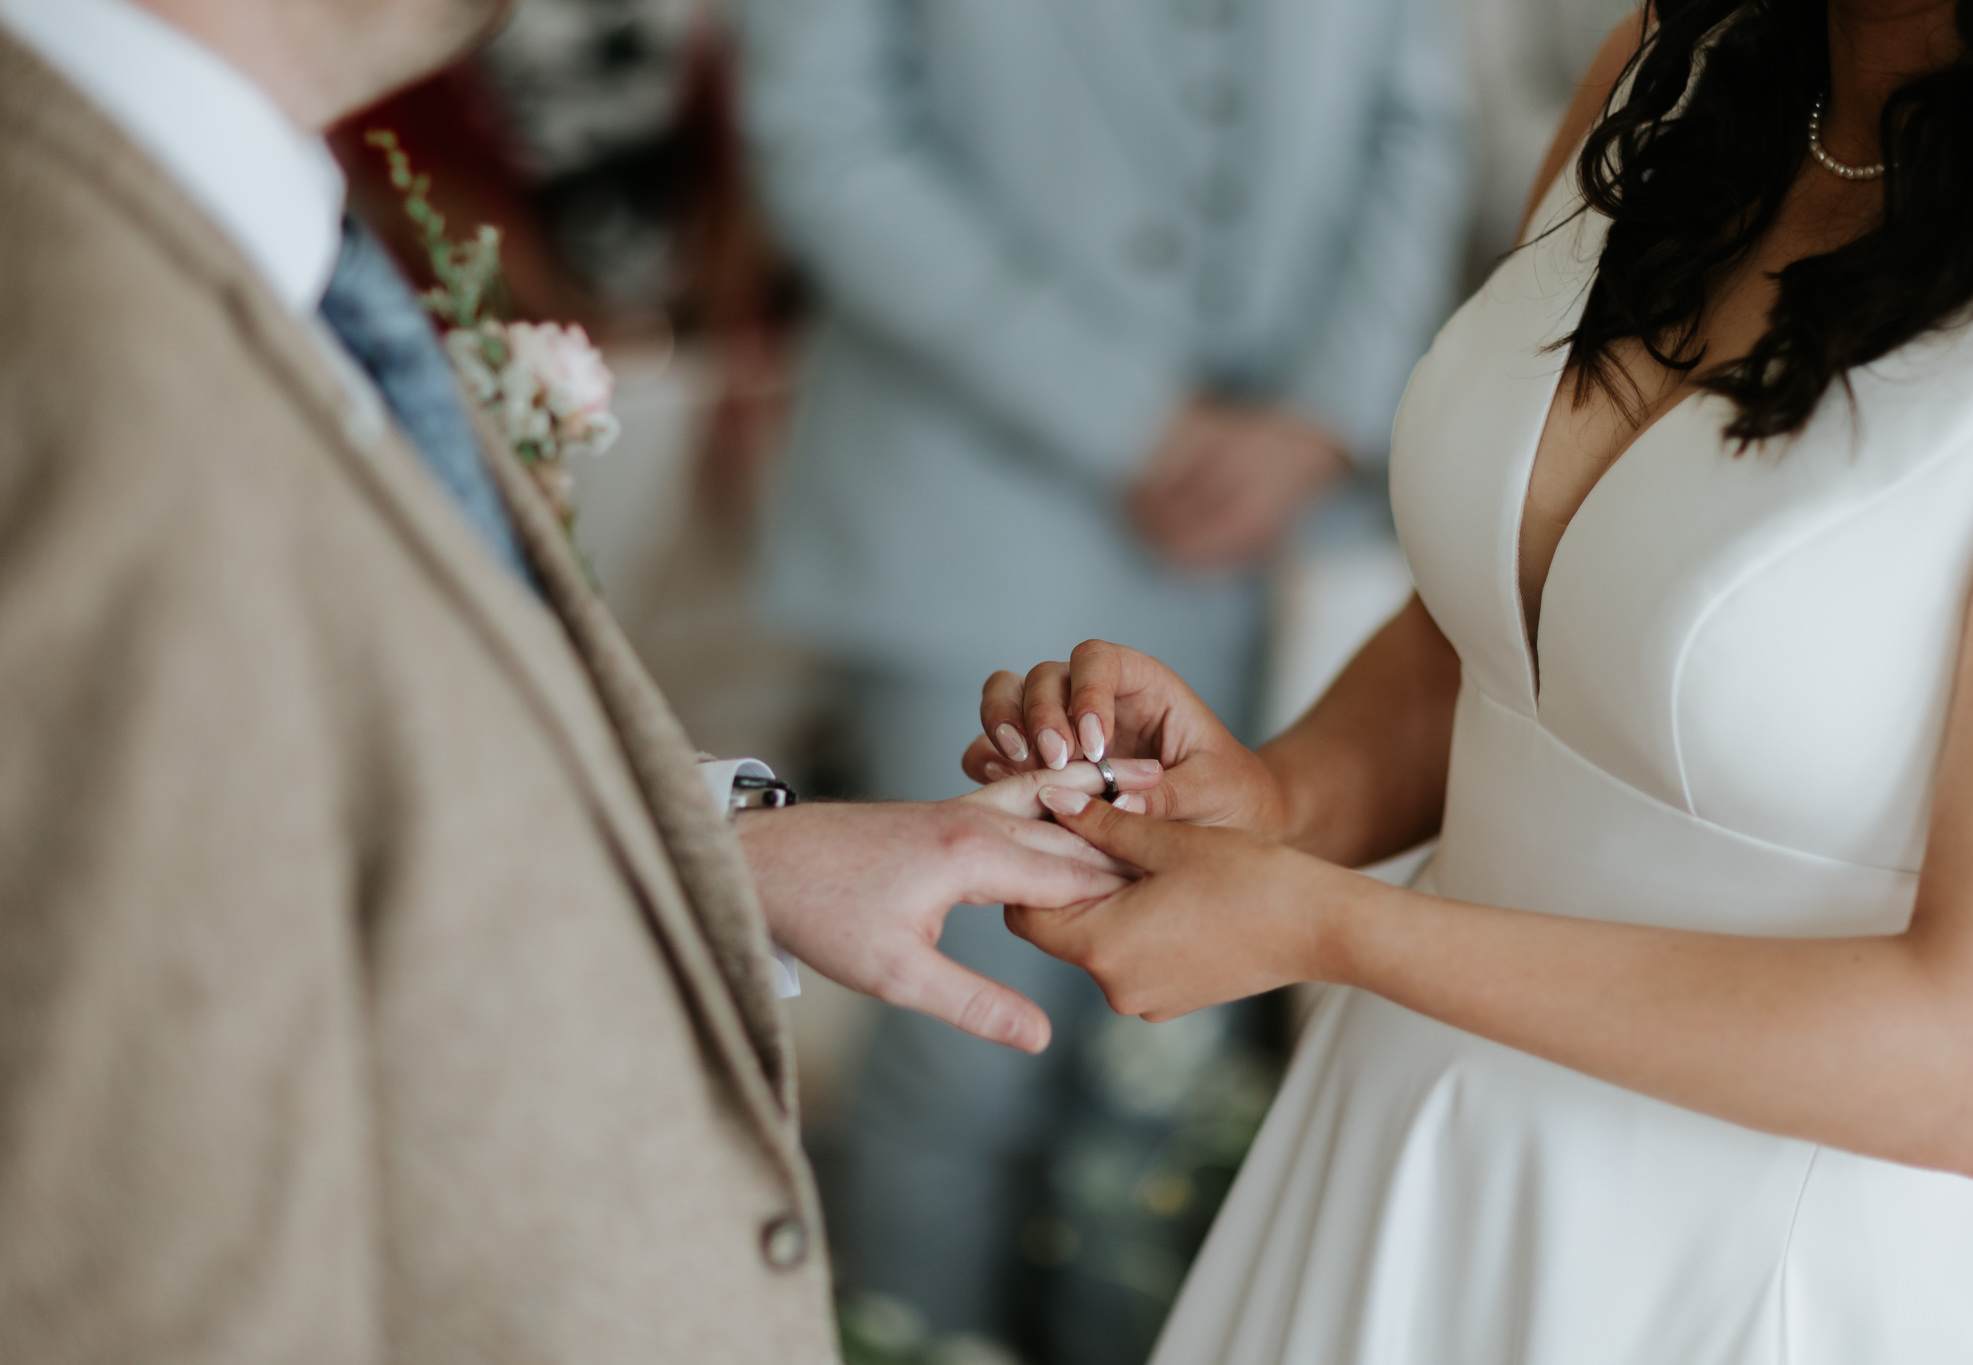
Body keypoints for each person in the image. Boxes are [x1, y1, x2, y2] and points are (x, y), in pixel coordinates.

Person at [0, 1, 1170, 1360]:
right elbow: (133, 1239)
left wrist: (730, 854)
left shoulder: (209, 217)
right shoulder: (77, 360)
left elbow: (270, 828)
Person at [971, 0, 1973, 1358]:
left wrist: (1329, 928)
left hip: (1749, 1267)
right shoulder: (1669, 70)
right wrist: (1275, 801)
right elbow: (1493, 642)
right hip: (1407, 1152)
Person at [723, 0, 1472, 1343]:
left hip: (1279, 543)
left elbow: (1419, 118)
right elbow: (825, 134)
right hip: (968, 513)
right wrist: (1135, 419)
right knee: (963, 1054)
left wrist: (1322, 415)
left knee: (1177, 1067)